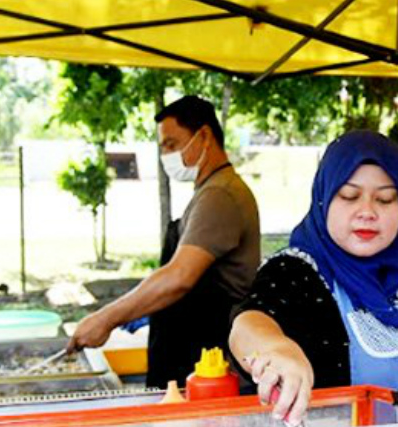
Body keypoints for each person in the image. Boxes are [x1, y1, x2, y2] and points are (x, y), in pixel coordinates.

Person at [229, 130, 398, 425]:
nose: (367, 211)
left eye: (386, 199)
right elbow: (248, 324)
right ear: (324, 199)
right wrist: (278, 350)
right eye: (349, 196)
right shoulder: (295, 272)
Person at [68, 95, 260, 389]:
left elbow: (179, 277)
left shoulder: (220, 196)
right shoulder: (210, 191)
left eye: (172, 144)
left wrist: (106, 318)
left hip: (208, 357)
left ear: (205, 136)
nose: (167, 155)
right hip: (192, 349)